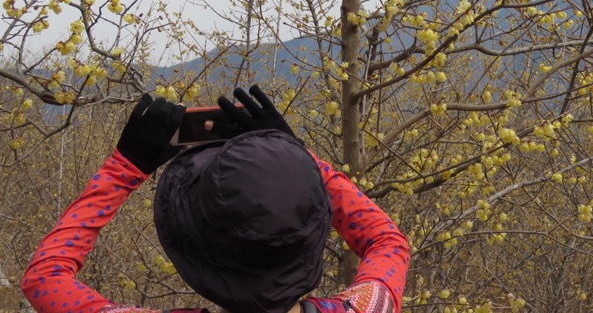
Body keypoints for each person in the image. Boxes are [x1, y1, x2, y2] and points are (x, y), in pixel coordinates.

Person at [21, 86, 410, 313]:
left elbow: (45, 278)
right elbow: (386, 241)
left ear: (192, 252)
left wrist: (124, 168)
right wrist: (293, 156)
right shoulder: (366, 307)